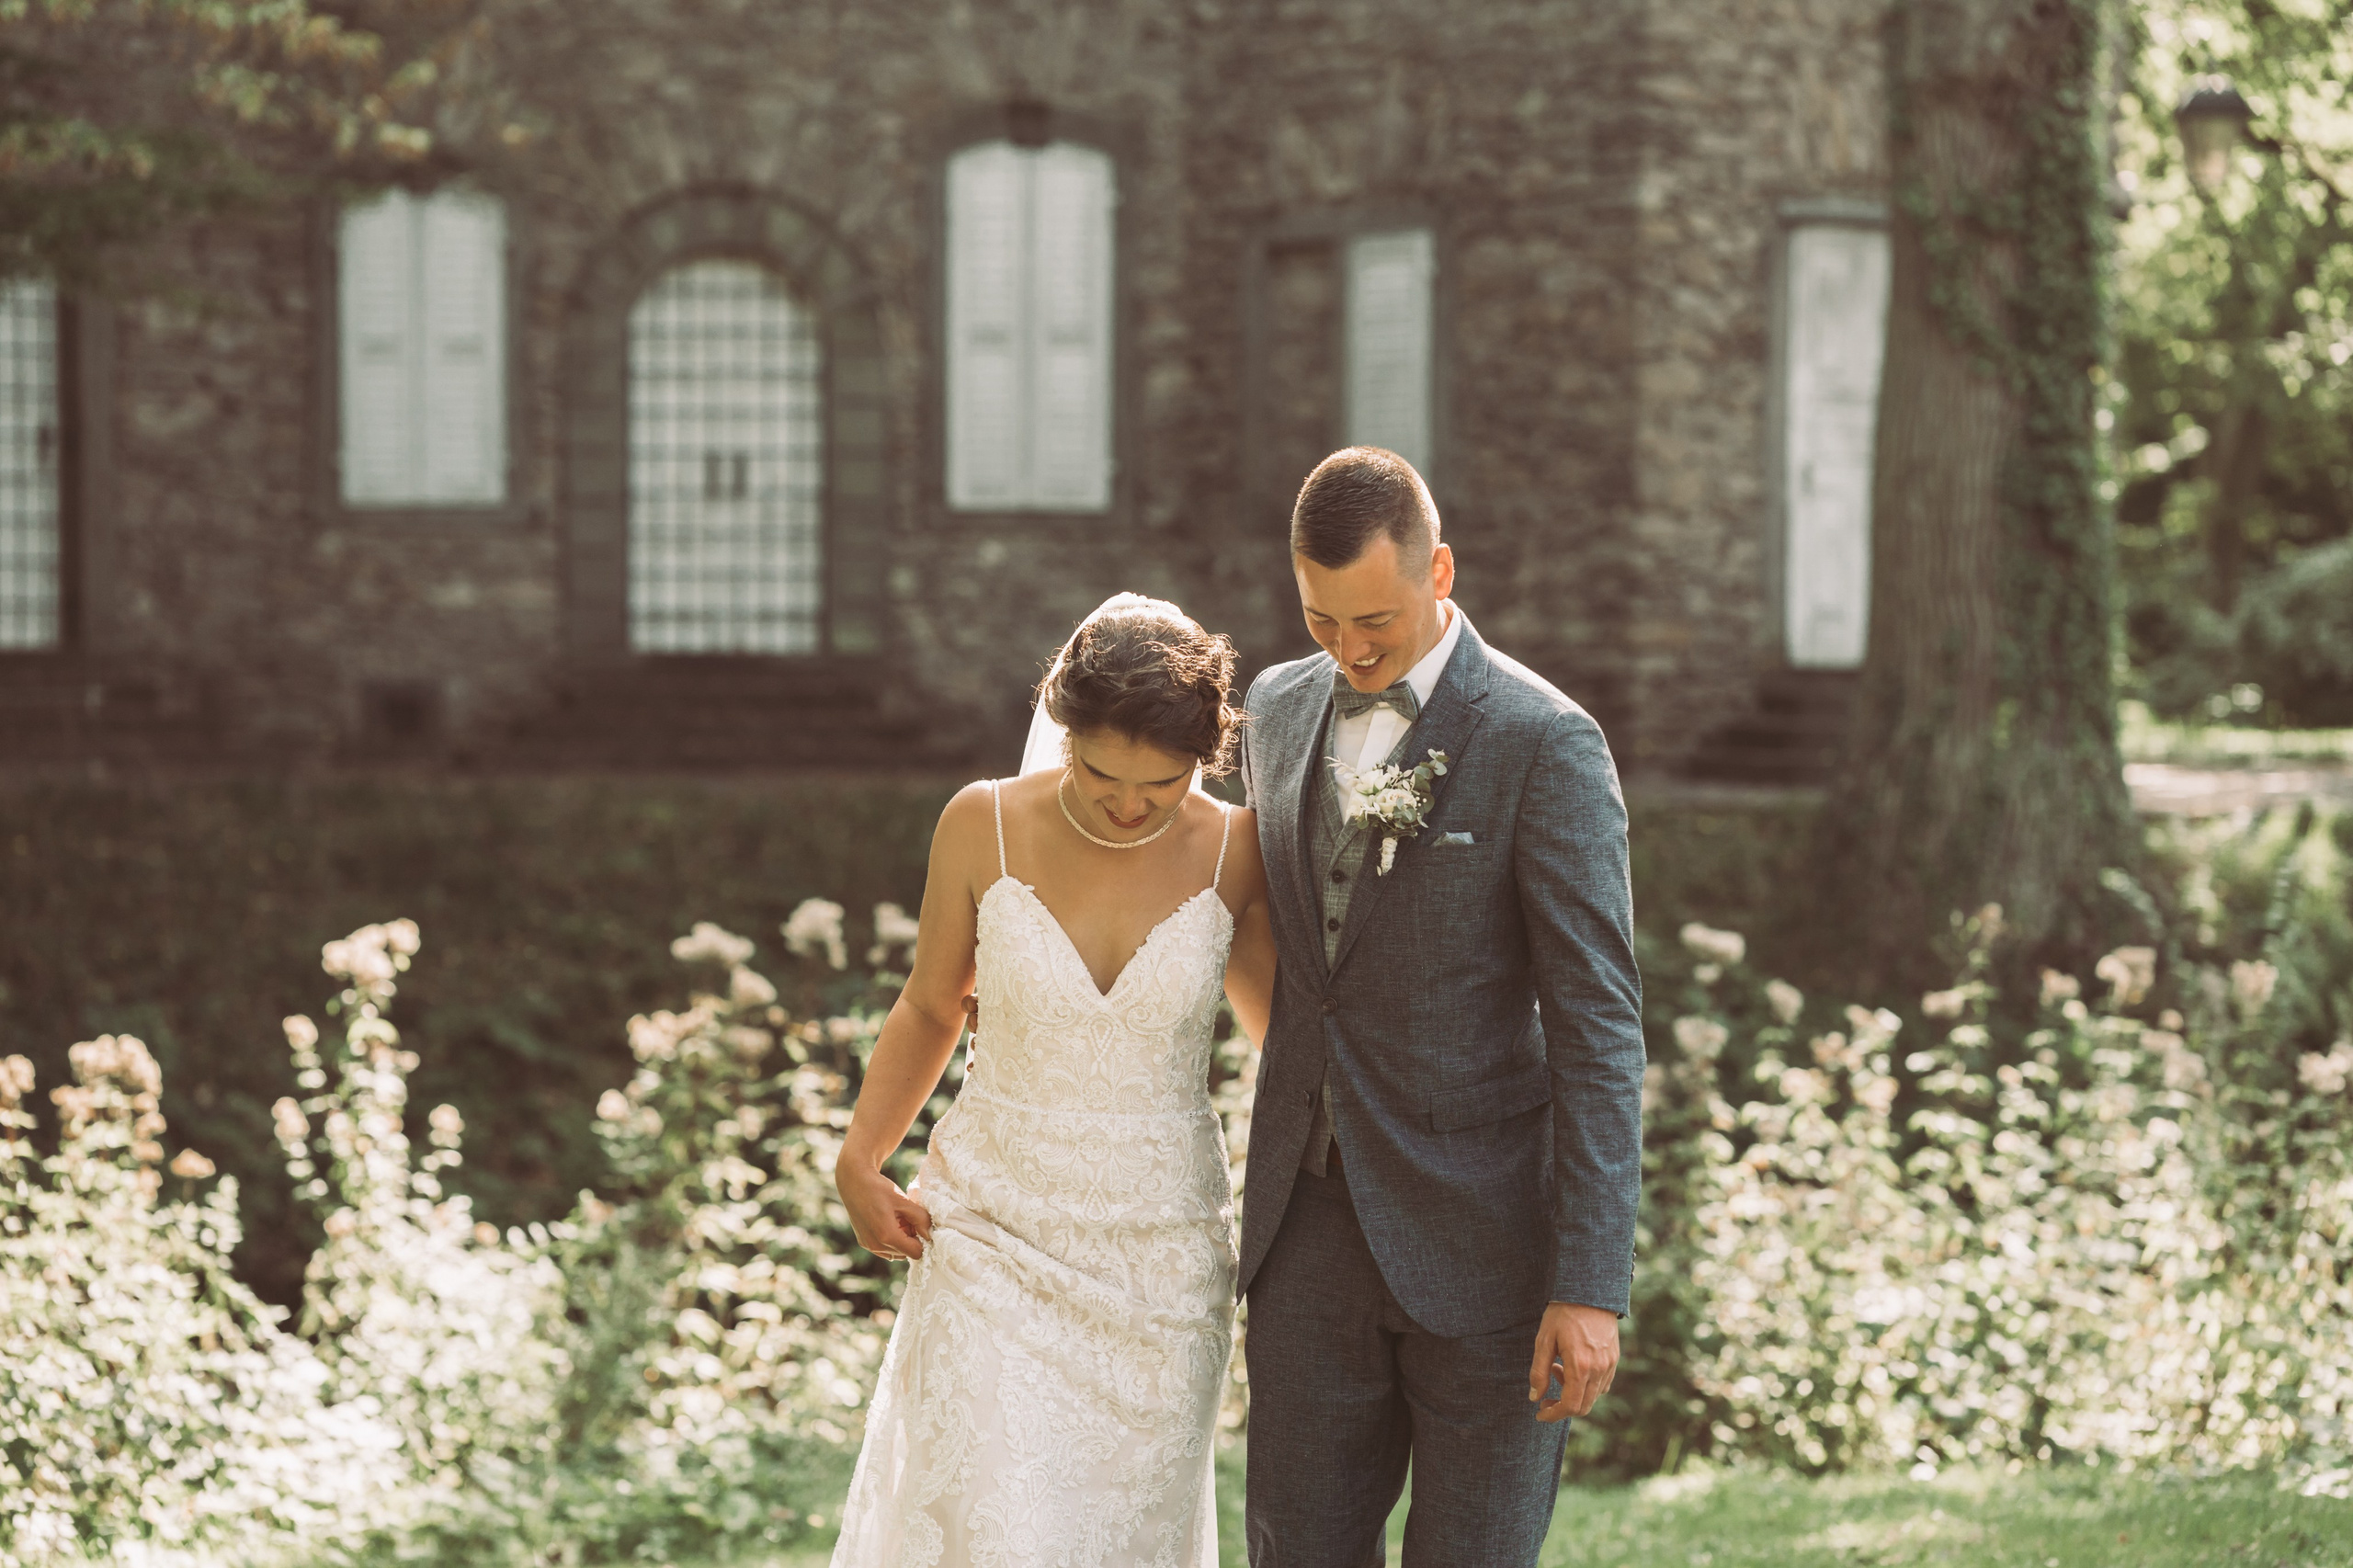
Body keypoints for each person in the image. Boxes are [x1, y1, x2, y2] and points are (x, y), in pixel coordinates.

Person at [1238, 448, 1645, 1567]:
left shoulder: (1541, 739)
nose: (1351, 649)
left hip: (1489, 1245)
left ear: (1441, 570)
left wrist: (1589, 1283)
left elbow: (1598, 1027)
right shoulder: (1272, 709)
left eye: (1375, 617)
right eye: (1321, 618)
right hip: (1305, 1234)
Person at [829, 594, 1277, 1567]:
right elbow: (929, 1006)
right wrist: (861, 1155)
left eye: (1158, 784)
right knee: (994, 1519)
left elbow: (1284, 1039)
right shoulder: (981, 822)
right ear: (1060, 732)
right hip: (993, 1224)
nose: (1126, 803)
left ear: (1205, 755)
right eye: (1098, 771)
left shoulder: (1238, 850)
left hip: (1159, 1261)